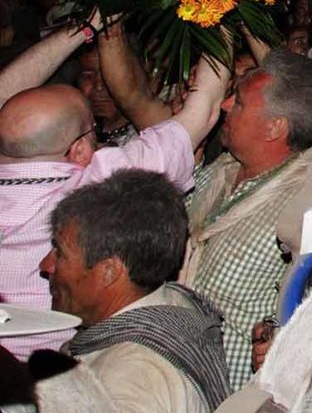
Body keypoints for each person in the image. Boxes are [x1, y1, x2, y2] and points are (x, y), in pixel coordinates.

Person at [1, 38, 227, 359]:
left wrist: (79, 31)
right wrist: (223, 16)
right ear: (79, 150)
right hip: (45, 377)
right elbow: (202, 112)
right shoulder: (96, 184)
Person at [42, 171, 227, 413]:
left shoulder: (126, 384)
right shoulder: (177, 304)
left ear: (109, 272)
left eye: (60, 253)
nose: (46, 265)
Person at [182, 49, 312, 389]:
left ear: (273, 128)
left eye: (237, 103)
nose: (224, 106)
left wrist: (287, 340)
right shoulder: (219, 172)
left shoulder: (310, 204)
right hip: (178, 374)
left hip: (233, 403)